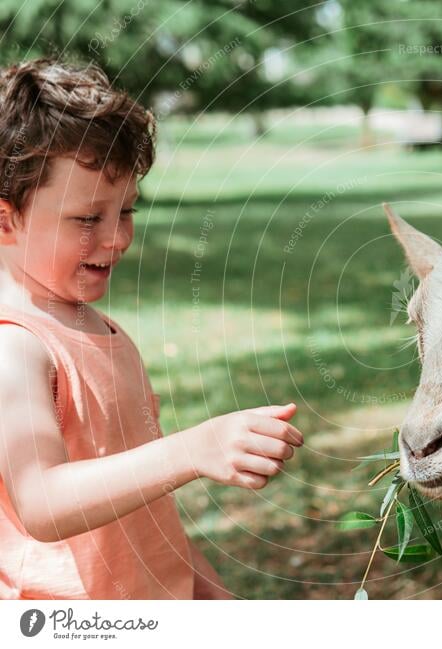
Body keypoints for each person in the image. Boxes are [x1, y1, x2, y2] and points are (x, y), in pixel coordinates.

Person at [0, 58, 303, 599]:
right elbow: (41, 502)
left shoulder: (102, 332)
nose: (117, 239)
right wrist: (193, 450)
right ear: (6, 221)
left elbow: (146, 519)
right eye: (88, 219)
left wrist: (210, 597)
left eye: (127, 212)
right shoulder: (15, 346)